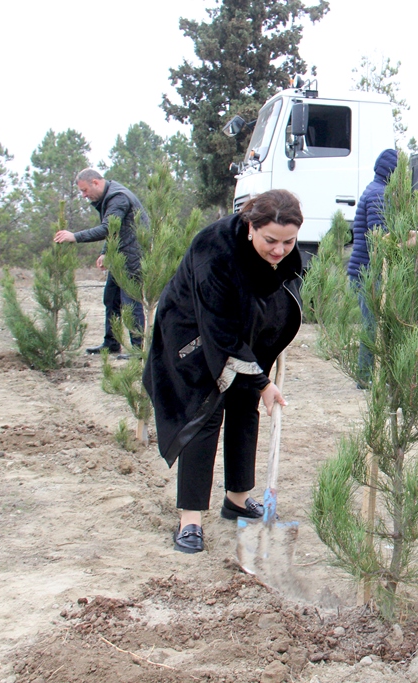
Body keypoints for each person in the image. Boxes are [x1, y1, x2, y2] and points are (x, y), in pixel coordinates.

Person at [143, 190, 304, 554]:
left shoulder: (280, 249)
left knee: (245, 406)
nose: (280, 250)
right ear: (250, 227)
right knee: (205, 412)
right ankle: (190, 519)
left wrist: (265, 355)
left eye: (289, 242)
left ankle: (237, 499)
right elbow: (218, 329)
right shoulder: (213, 250)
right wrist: (262, 382)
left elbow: (277, 289)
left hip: (241, 330)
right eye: (271, 241)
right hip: (194, 332)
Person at [53, 169, 146, 358]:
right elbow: (116, 229)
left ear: (95, 182)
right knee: (111, 299)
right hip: (121, 254)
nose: (84, 195)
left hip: (133, 256)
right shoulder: (110, 196)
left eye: (85, 190)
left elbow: (107, 228)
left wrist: (74, 237)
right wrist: (105, 252)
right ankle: (111, 344)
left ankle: (138, 350)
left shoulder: (118, 197)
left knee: (130, 302)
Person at [346, 148, 399, 386]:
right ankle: (366, 378)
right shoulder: (380, 193)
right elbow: (380, 236)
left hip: (363, 269)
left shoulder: (374, 188)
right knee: (373, 325)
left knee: (373, 324)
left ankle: (370, 375)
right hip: (370, 270)